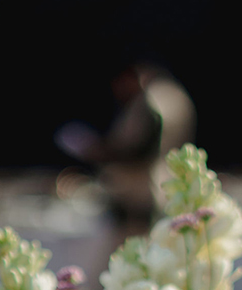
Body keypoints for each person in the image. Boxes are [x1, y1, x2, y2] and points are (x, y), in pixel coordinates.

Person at [55, 63, 196, 224]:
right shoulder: (157, 99)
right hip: (142, 192)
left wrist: (98, 151)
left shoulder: (149, 105)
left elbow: (139, 151)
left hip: (138, 197)